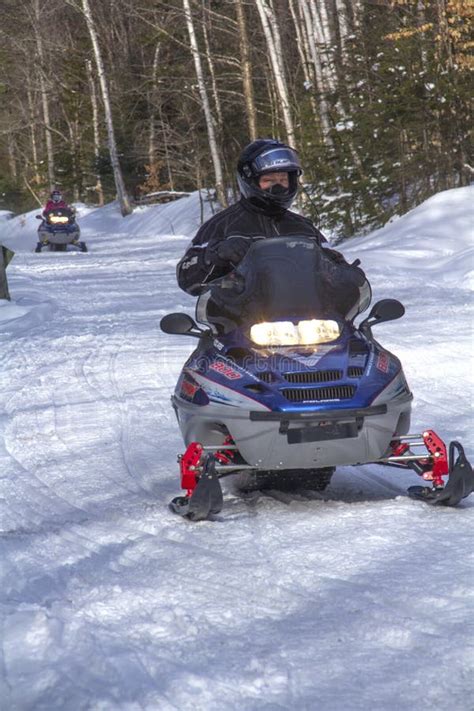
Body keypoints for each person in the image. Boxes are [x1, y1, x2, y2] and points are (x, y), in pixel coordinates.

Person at [177, 138, 351, 296]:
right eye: (269, 180)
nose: (278, 186)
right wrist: (215, 255)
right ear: (250, 180)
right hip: (242, 316)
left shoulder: (304, 227)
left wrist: (348, 274)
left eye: (283, 180)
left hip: (306, 312)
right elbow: (186, 277)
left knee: (348, 331)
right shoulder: (222, 225)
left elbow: (332, 264)